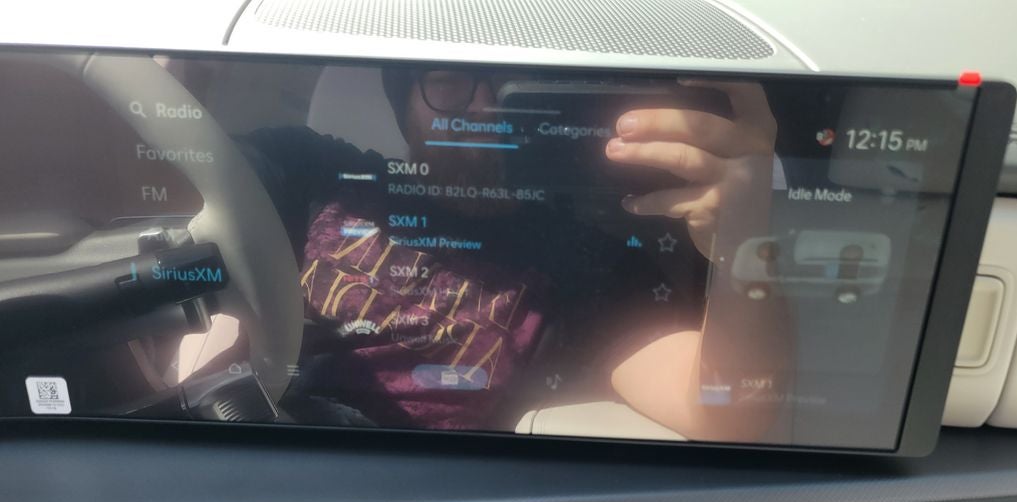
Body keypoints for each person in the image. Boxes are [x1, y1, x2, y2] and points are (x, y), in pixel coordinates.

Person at [238, 68, 789, 442]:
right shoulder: (313, 171)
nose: (486, 107)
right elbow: (189, 176)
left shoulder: (590, 262)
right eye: (450, 81)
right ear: (404, 105)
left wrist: (744, 247)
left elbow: (728, 410)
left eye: (513, 85)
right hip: (249, 443)